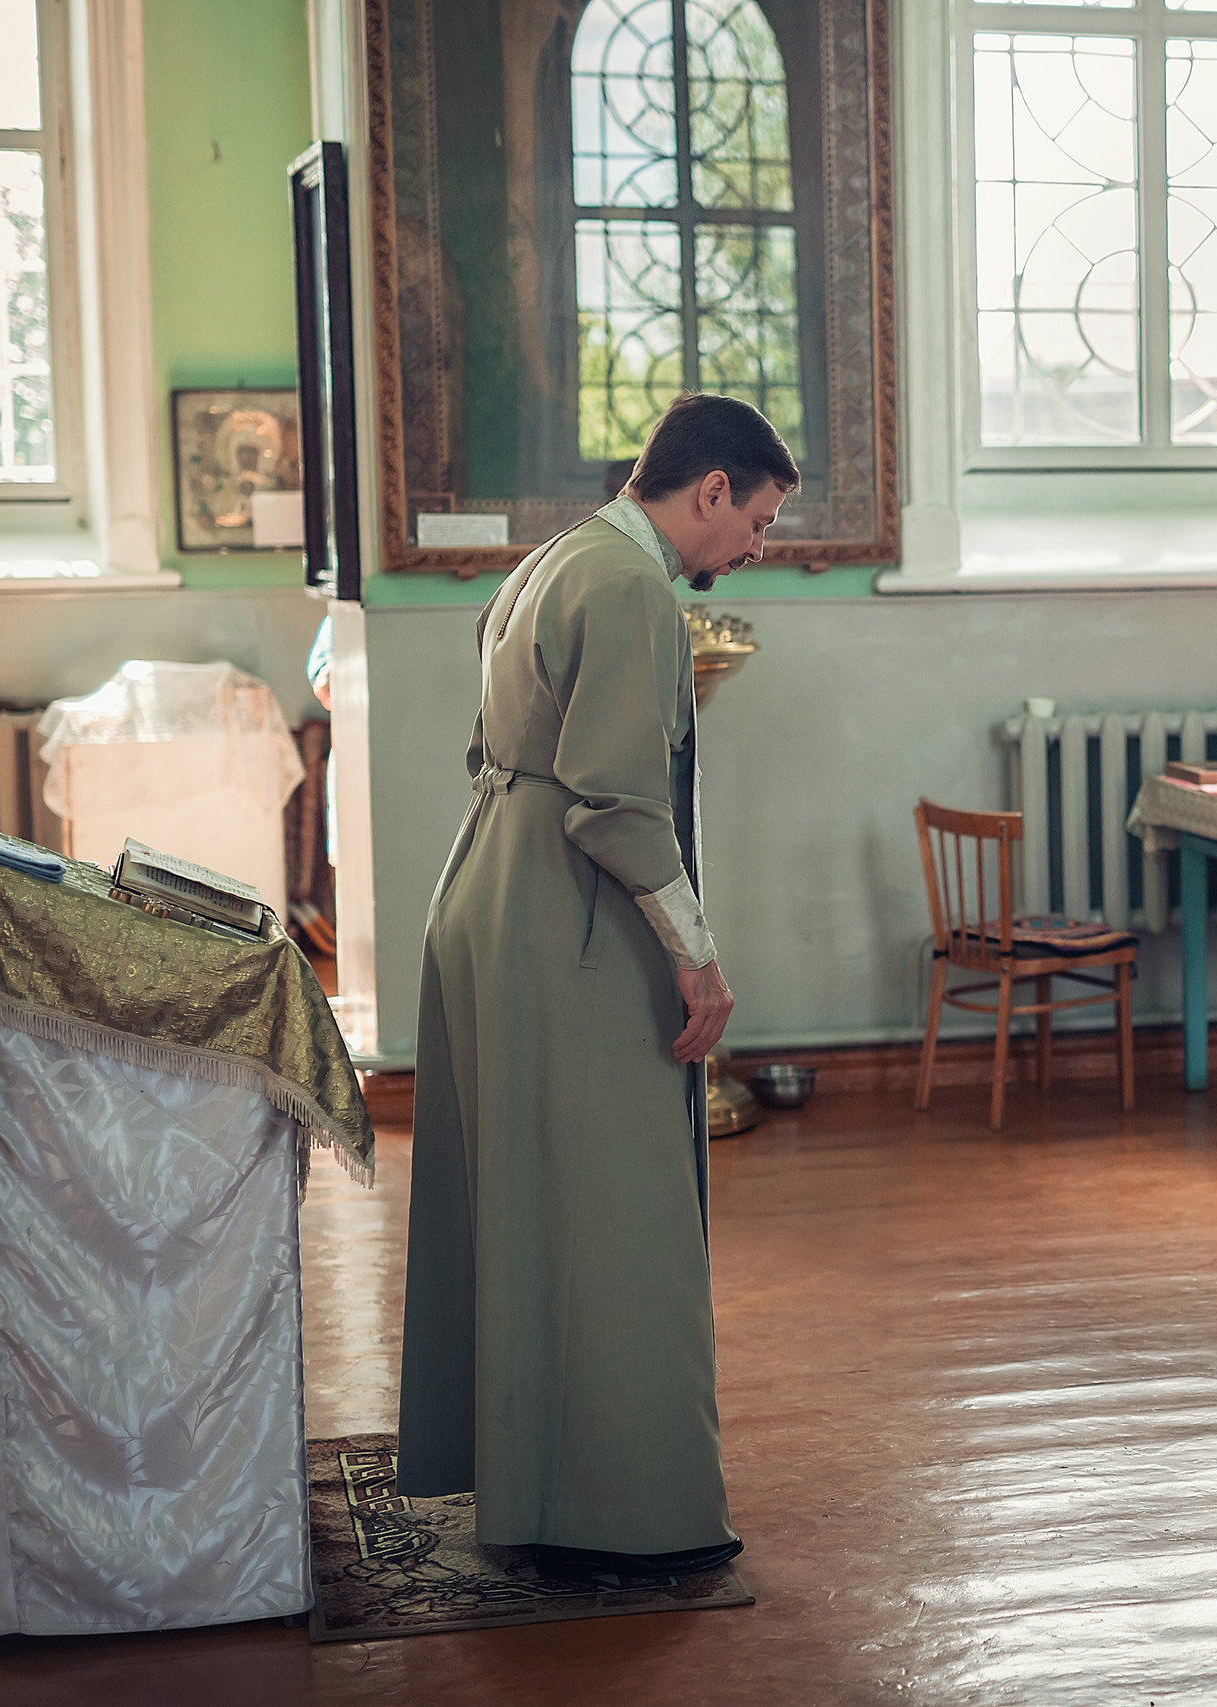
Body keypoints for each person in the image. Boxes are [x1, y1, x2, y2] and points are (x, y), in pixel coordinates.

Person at [399, 393, 796, 1581]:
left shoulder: (552, 560)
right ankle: (623, 1511)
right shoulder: (631, 588)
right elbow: (617, 802)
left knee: (528, 1200)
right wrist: (697, 954)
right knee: (620, 1212)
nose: (758, 545)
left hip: (490, 891)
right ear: (711, 487)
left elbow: (494, 749)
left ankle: (531, 1483)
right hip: (567, 915)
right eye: (758, 520)